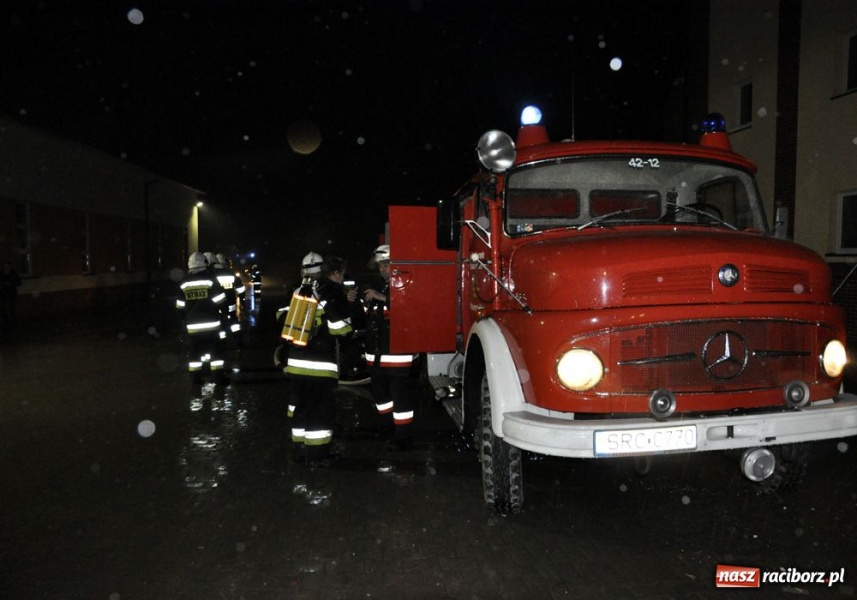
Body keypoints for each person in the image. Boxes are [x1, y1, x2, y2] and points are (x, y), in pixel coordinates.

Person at [281, 255, 355, 467]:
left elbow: (284, 322)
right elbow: (341, 330)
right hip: (320, 364)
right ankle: (318, 456)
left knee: (301, 407)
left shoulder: (297, 290)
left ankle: (299, 451)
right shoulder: (329, 292)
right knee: (320, 412)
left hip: (296, 362)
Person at [363, 244, 417, 450]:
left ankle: (403, 437)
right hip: (377, 354)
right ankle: (387, 428)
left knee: (400, 400)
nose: (381, 269)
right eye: (380, 266)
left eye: (385, 265)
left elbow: (409, 309)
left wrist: (383, 298)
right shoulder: (380, 285)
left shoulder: (404, 285)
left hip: (397, 355)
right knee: (381, 397)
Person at [176, 252, 228, 384]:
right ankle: (218, 378)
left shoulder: (184, 283)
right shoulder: (211, 280)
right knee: (215, 352)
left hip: (193, 326)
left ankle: (195, 378)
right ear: (205, 264)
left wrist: (184, 320)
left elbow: (180, 306)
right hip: (212, 325)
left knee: (195, 352)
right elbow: (221, 301)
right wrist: (224, 314)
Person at [0, 261, 22, 332]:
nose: (6, 268)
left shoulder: (13, 273)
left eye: (7, 266)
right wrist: (3, 283)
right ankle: (6, 322)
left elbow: (19, 283)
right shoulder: (1, 273)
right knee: (3, 307)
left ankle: (13, 323)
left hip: (11, 293)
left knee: (11, 308)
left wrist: (11, 283)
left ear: (9, 266)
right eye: (5, 266)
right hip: (4, 293)